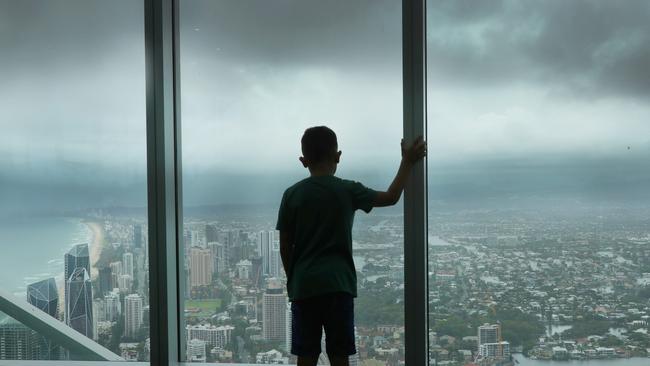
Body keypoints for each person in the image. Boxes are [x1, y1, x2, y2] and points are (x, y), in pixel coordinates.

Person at [276, 126, 426, 366]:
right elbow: (391, 196)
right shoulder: (348, 189)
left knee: (306, 356)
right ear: (338, 156)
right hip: (339, 286)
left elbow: (285, 245)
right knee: (339, 356)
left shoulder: (292, 194)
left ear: (303, 161)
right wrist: (407, 161)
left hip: (304, 287)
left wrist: (293, 278)